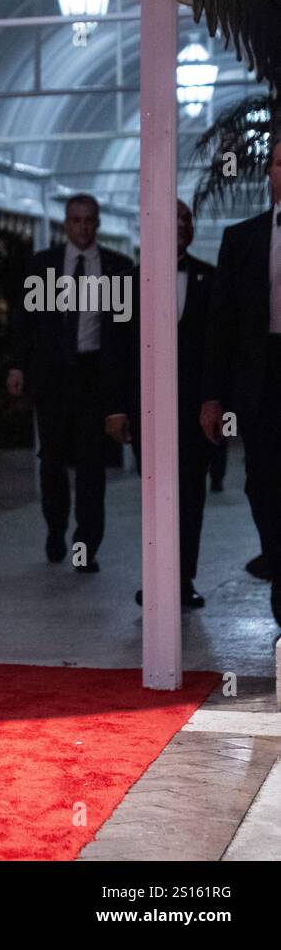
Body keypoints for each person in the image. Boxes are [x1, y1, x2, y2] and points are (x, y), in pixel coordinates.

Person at [7, 194, 132, 573]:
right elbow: (24, 321)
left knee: (92, 466)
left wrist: (122, 392)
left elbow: (125, 334)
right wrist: (17, 366)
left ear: (97, 223)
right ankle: (56, 527)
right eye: (76, 220)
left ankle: (85, 546)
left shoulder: (118, 268)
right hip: (54, 378)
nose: (83, 227)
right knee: (52, 461)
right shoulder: (42, 265)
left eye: (89, 220)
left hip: (95, 375)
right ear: (65, 223)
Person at [105, 200, 213, 609]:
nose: (182, 225)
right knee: (154, 496)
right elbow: (115, 352)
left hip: (195, 411)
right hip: (146, 409)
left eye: (187, 219)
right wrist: (115, 408)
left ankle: (183, 580)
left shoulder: (211, 278)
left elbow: (219, 349)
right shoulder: (127, 283)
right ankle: (156, 579)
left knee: (191, 496)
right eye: (174, 219)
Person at [202, 135, 281, 631]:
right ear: (268, 172)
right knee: (261, 483)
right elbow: (221, 326)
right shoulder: (242, 239)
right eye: (279, 162)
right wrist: (212, 396)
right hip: (262, 378)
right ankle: (277, 559)